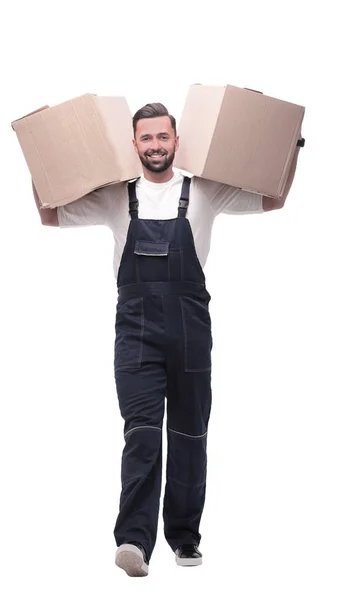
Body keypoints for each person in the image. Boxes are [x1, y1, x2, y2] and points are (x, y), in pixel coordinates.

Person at [34, 102, 302, 577]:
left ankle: (184, 537)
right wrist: (39, 152)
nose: (155, 146)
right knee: (141, 434)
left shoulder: (206, 191)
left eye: (162, 137)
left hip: (190, 331)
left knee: (188, 434)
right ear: (133, 144)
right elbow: (51, 214)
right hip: (135, 331)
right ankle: (133, 541)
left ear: (177, 141)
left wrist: (291, 146)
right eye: (146, 138)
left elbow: (274, 198)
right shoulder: (117, 195)